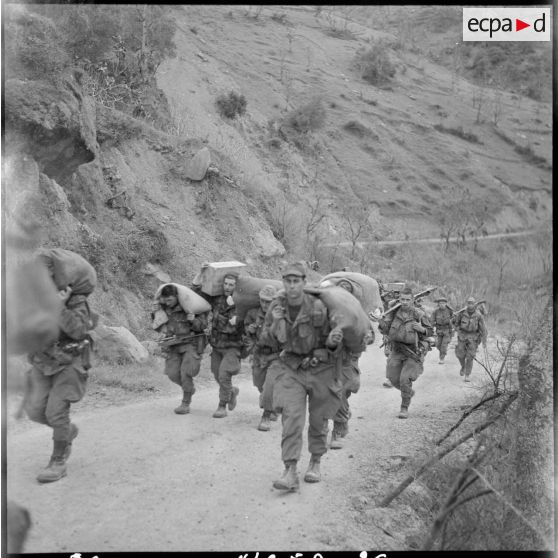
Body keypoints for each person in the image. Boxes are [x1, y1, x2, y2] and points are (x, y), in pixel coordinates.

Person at [259, 262, 344, 491]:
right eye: (288, 281)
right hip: (291, 368)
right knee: (291, 419)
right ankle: (290, 470)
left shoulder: (318, 306)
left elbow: (335, 341)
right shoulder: (277, 306)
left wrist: (332, 343)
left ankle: (315, 461)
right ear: (283, 283)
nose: (292, 286)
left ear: (304, 283)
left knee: (318, 421)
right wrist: (276, 323)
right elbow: (266, 341)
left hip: (321, 369)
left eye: (296, 281)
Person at [24, 264, 97, 483]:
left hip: (70, 363)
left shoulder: (77, 302)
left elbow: (77, 330)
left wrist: (59, 307)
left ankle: (58, 462)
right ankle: (66, 431)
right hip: (43, 361)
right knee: (35, 411)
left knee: (56, 413)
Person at [193, 268, 244, 418]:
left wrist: (238, 317)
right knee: (216, 374)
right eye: (226, 284)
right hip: (217, 345)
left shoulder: (242, 302)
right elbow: (197, 293)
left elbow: (250, 320)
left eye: (231, 285)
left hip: (233, 346)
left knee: (224, 374)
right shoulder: (217, 299)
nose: (227, 287)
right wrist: (200, 273)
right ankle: (231, 391)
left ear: (236, 286)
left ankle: (222, 406)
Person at [329, 278, 373, 450]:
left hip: (347, 362)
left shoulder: (358, 313)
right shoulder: (327, 310)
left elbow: (369, 334)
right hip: (329, 360)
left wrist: (366, 337)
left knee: (339, 393)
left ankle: (338, 430)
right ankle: (342, 416)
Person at [378, 287, 433, 419]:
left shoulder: (419, 314)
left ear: (412, 300)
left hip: (413, 352)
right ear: (399, 299)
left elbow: (430, 331)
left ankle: (404, 408)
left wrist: (422, 330)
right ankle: (408, 392)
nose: (405, 302)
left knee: (404, 380)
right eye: (402, 299)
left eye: (408, 300)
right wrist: (379, 320)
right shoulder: (393, 312)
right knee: (392, 378)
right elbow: (385, 329)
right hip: (396, 350)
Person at [155, 284, 209, 414]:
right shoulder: (164, 309)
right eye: (165, 300)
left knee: (186, 373)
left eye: (170, 300)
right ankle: (189, 388)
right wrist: (163, 333)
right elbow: (161, 324)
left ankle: (185, 403)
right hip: (173, 345)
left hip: (191, 344)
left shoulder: (189, 307)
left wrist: (193, 320)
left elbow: (202, 325)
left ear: (176, 297)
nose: (168, 303)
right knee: (172, 373)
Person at [243, 285, 280, 431]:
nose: (265, 304)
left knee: (270, 384)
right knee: (259, 383)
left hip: (276, 356)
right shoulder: (252, 314)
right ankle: (272, 402)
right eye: (263, 301)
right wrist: (250, 331)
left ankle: (266, 414)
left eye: (268, 302)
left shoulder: (280, 316)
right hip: (259, 355)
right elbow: (246, 336)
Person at [452, 296, 487, 382]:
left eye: (472, 303)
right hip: (462, 336)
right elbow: (456, 324)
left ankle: (467, 374)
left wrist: (484, 341)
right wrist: (457, 330)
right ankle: (463, 366)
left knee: (470, 356)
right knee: (460, 354)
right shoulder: (462, 313)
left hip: (473, 337)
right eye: (468, 303)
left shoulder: (479, 315)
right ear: (466, 304)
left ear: (474, 304)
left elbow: (483, 329)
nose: (470, 305)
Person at [430, 295, 454, 364]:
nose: (441, 305)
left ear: (446, 304)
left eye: (443, 303)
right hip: (439, 330)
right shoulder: (435, 311)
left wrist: (452, 323)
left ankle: (442, 358)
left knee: (444, 345)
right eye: (440, 303)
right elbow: (431, 320)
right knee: (438, 345)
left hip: (447, 330)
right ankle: (444, 351)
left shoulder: (450, 311)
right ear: (438, 304)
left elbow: (455, 320)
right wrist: (431, 328)